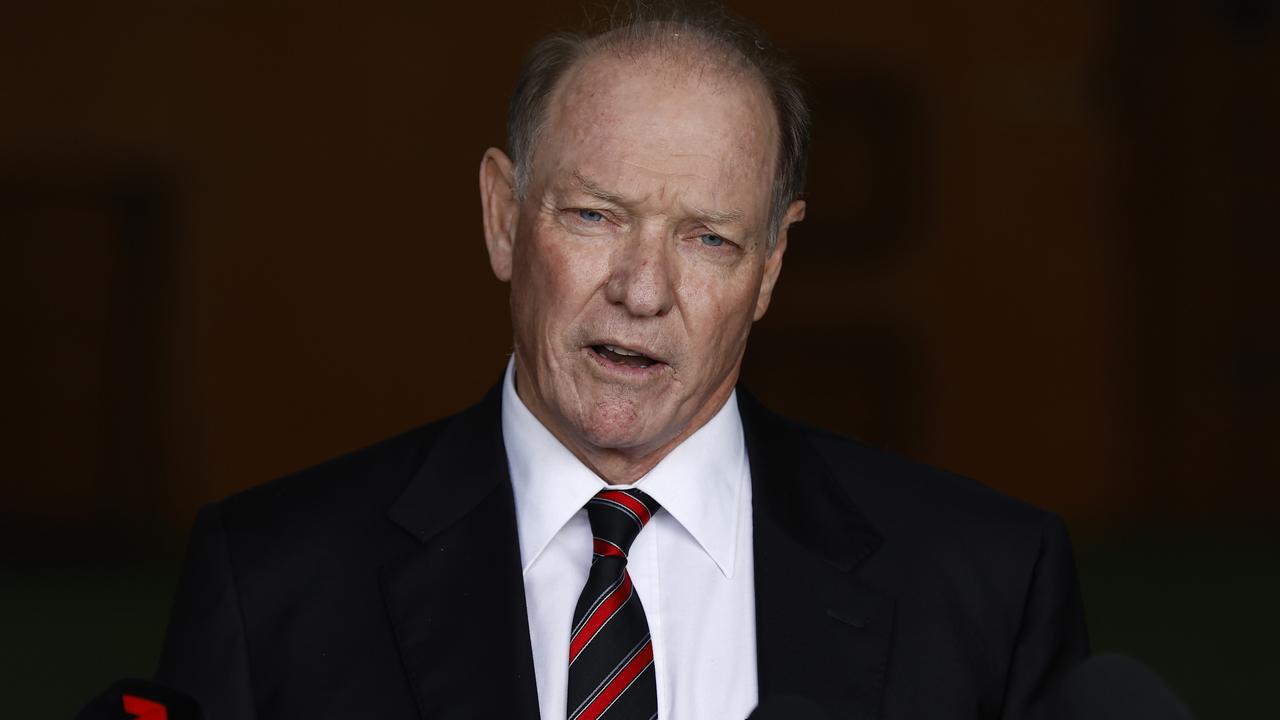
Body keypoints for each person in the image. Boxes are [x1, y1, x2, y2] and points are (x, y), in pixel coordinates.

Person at [155, 4, 1089, 719]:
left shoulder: (985, 587)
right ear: (501, 217)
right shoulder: (273, 584)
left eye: (708, 239)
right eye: (596, 216)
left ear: (770, 266)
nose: (643, 291)